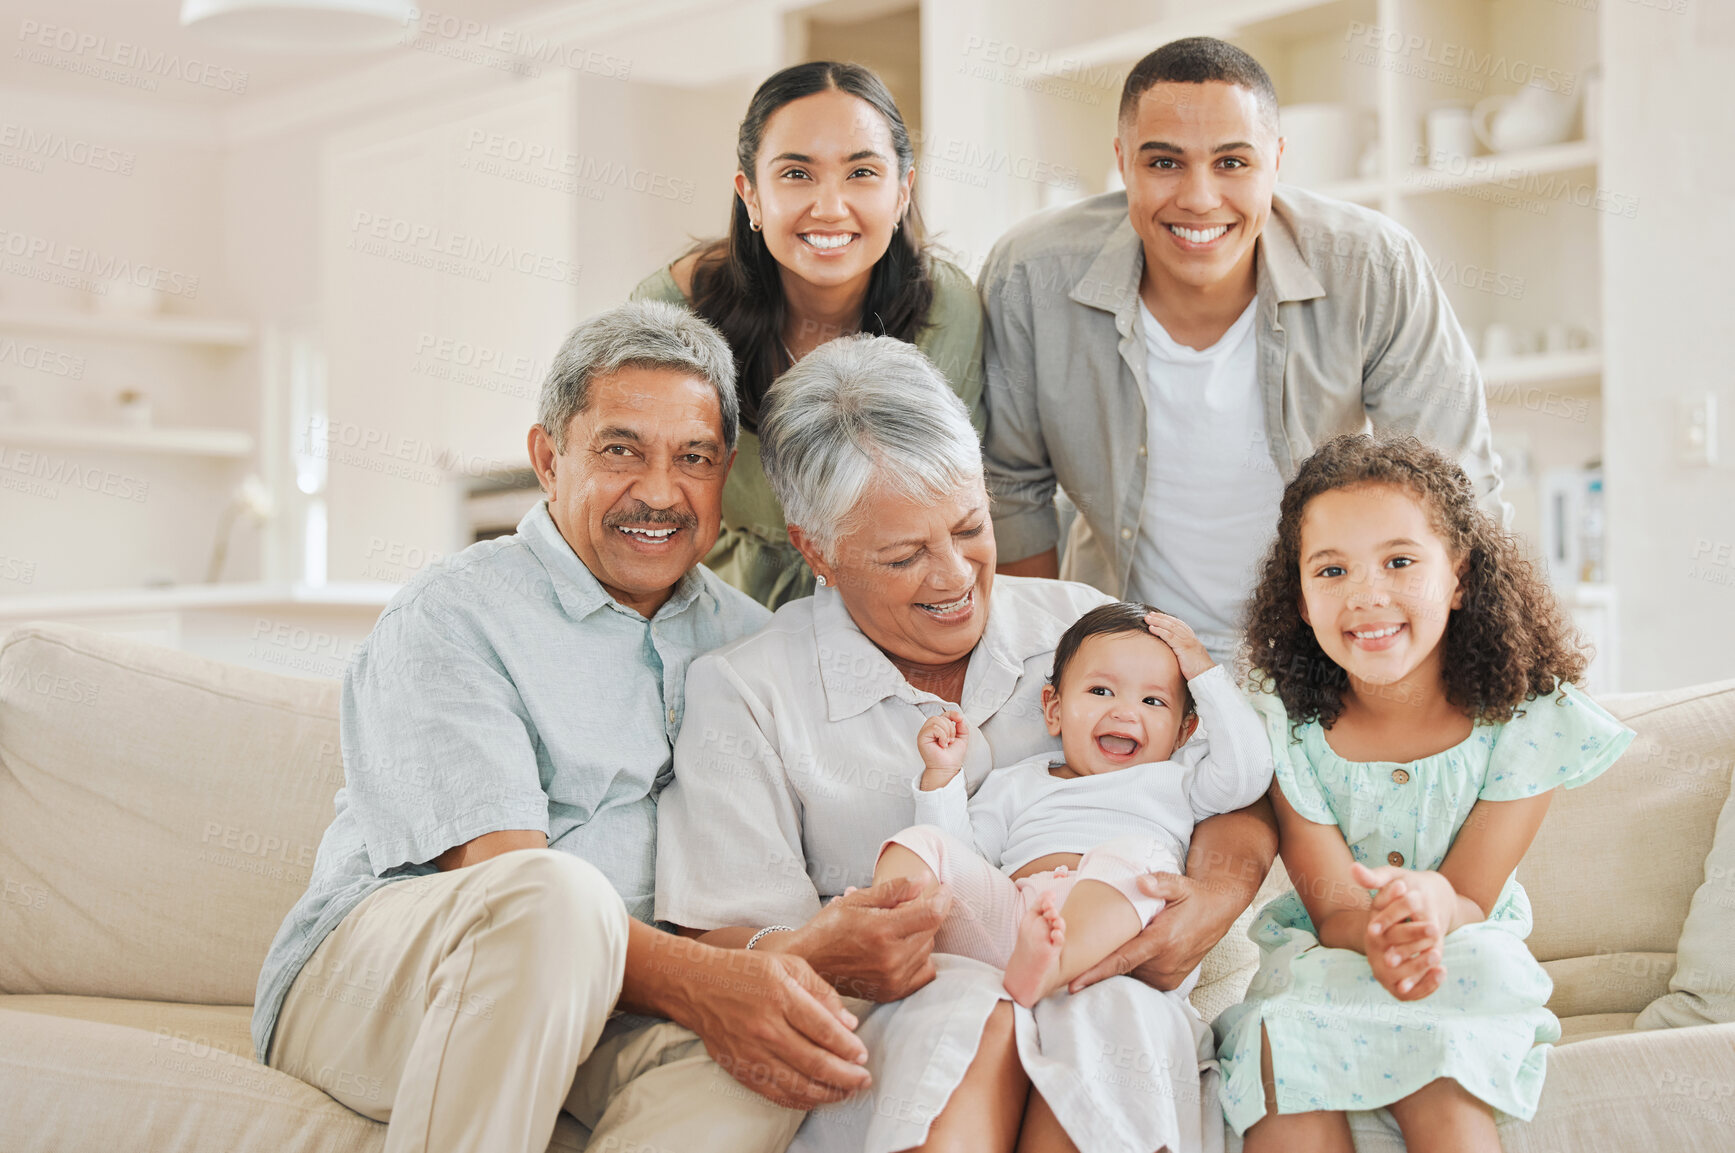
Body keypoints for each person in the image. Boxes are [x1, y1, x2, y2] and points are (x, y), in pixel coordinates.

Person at [251, 301, 871, 1153]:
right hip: (381, 982)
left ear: (725, 470)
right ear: (548, 458)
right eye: (621, 450)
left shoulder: (750, 642)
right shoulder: (452, 613)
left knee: (782, 1050)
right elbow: (510, 882)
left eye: (692, 458)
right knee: (558, 896)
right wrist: (713, 981)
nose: (659, 492)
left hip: (620, 1001)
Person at [656, 334, 1273, 1153]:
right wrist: (825, 953)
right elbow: (723, 942)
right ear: (818, 553)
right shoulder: (745, 691)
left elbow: (1232, 784)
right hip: (909, 1032)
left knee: (1108, 1011)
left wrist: (1215, 899)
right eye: (905, 554)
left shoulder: (1080, 625)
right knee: (966, 1011)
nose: (952, 576)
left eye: (969, 527)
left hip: (1109, 998)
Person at [980, 36, 1507, 664]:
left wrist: (1462, 676)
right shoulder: (1029, 275)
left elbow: (1453, 486)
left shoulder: (1371, 265)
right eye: (1164, 163)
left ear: (1277, 160)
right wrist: (1051, 662)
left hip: (1329, 655)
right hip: (1134, 667)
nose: (1200, 197)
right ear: (1123, 163)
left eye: (1232, 162)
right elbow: (1011, 490)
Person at [1212, 434, 1635, 1151]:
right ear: (1301, 600)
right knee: (1278, 1052)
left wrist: (1425, 909)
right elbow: (1335, 905)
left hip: (1459, 945)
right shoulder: (1280, 720)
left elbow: (1470, 892)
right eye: (1331, 569)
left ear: (1459, 576)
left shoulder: (1526, 717)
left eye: (1399, 561)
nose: (1366, 594)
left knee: (1445, 1060)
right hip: (1328, 954)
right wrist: (1376, 932)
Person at [632, 60, 983, 610]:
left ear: (902, 192)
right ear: (750, 194)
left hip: (900, 609)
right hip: (714, 610)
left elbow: (968, 506)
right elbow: (645, 504)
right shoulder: (673, 315)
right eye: (797, 174)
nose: (829, 207)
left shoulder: (947, 307)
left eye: (862, 172)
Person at [873, 601, 1272, 1010]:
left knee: (1142, 857)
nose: (1125, 711)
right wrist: (941, 775)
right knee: (920, 843)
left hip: (1117, 937)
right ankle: (883, 932)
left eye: (1154, 702)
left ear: (1184, 731)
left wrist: (1205, 672)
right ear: (1054, 709)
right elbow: (961, 856)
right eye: (1101, 692)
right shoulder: (1016, 782)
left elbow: (1250, 773)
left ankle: (1056, 965)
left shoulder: (1182, 777)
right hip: (1017, 926)